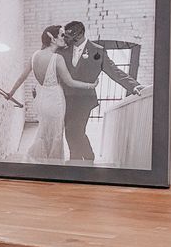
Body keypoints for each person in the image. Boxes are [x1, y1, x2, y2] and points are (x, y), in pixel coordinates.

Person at [7, 25, 98, 161]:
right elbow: (70, 82)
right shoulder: (56, 58)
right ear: (52, 38)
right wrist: (91, 85)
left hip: (41, 99)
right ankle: (53, 162)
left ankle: (40, 159)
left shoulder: (34, 56)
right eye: (61, 35)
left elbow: (22, 77)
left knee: (43, 130)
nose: (64, 38)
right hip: (55, 100)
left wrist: (11, 93)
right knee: (56, 133)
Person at [61, 20, 144, 161]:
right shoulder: (63, 50)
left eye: (69, 36)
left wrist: (133, 85)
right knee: (69, 131)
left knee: (77, 130)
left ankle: (78, 159)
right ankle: (85, 156)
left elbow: (114, 71)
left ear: (79, 34)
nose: (65, 39)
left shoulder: (97, 50)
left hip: (84, 100)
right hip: (65, 98)